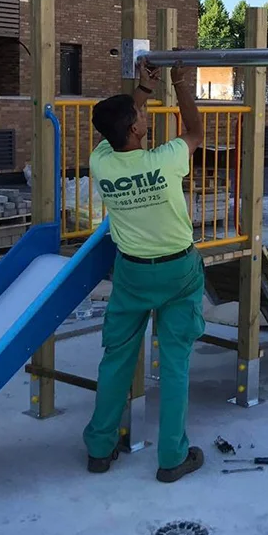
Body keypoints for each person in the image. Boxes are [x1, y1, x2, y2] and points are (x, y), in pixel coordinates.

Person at [83, 58, 206, 482]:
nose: (145, 116)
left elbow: (119, 127)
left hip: (132, 274)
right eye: (140, 116)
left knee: (116, 359)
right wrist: (181, 85)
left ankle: (99, 448)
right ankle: (171, 457)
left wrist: (144, 91)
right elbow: (196, 132)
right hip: (177, 272)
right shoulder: (167, 160)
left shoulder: (102, 161)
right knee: (174, 363)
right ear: (135, 129)